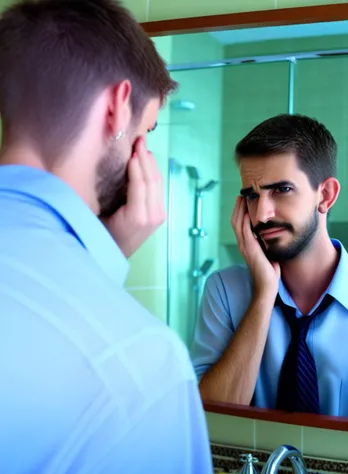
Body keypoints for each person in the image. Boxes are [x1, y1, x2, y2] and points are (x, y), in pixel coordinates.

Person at [0, 1, 213, 473]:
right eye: (148, 128)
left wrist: (100, 259)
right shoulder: (144, 365)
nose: (146, 152)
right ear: (117, 108)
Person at [191, 113, 348, 426]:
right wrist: (264, 296)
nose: (261, 215)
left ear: (326, 195)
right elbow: (207, 424)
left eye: (282, 190)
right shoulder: (224, 292)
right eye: (251, 195)